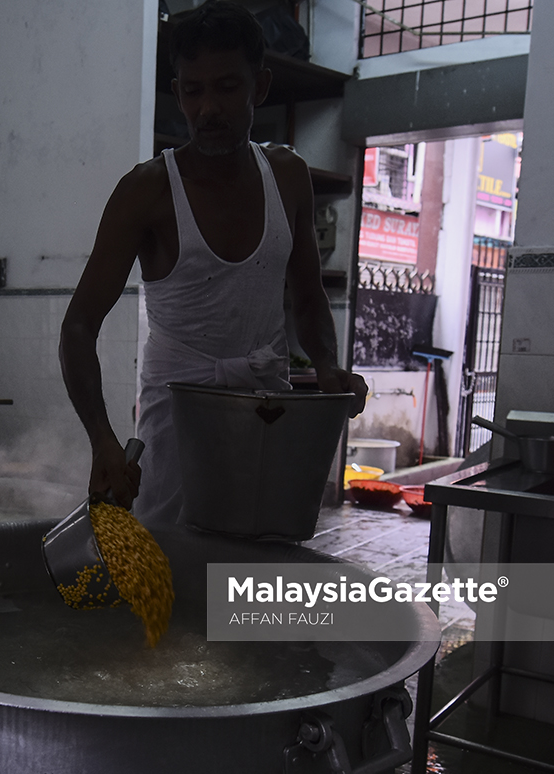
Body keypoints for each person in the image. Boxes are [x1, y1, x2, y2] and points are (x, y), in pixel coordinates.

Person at [59, 0, 367, 526]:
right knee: (172, 570)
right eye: (193, 90)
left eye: (227, 87)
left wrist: (325, 366)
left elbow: (310, 295)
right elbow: (79, 327)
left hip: (268, 411)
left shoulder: (287, 176)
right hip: (174, 421)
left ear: (260, 88)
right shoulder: (147, 191)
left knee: (256, 563)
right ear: (177, 92)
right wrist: (102, 442)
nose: (208, 109)